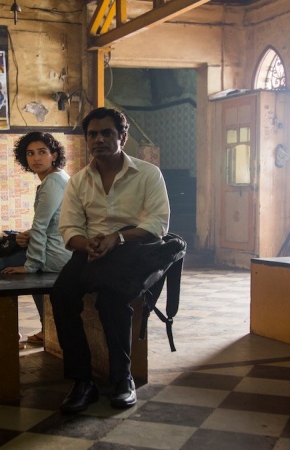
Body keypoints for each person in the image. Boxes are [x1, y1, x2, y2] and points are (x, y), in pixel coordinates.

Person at [51, 107, 170, 414]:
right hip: (90, 251)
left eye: (107, 133)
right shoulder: (78, 181)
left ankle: (122, 379)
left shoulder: (147, 174)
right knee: (61, 294)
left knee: (111, 298)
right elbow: (70, 227)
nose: (99, 139)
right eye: (92, 134)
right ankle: (82, 382)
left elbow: (157, 224)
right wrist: (87, 243)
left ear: (122, 137)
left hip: (132, 250)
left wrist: (116, 238)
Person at [0, 132, 72, 344]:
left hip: (56, 253)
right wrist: (27, 236)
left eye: (42, 152)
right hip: (63, 248)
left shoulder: (52, 182)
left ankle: (9, 332)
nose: (36, 158)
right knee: (21, 266)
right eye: (30, 153)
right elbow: (52, 222)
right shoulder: (59, 178)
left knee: (1, 265)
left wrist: (31, 265)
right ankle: (46, 327)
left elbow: (41, 225)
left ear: (54, 155)